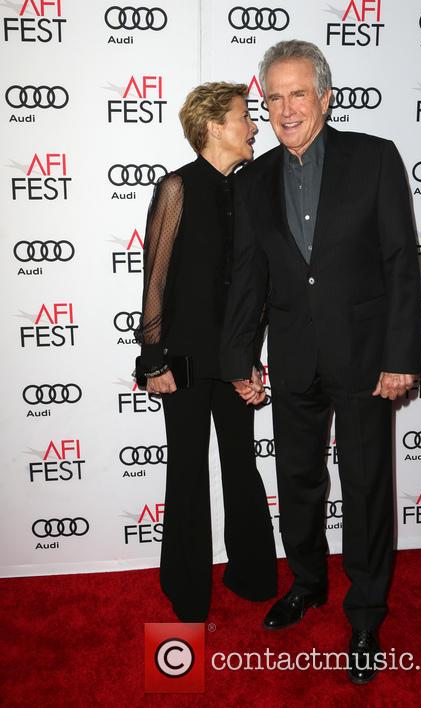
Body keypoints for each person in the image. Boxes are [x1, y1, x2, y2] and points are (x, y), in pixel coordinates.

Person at [220, 41, 421, 683]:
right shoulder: (252, 179)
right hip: (293, 356)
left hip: (366, 358)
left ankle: (365, 615)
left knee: (366, 488)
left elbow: (400, 261)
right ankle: (307, 582)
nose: (285, 109)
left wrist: (400, 355)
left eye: (297, 93)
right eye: (272, 98)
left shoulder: (375, 158)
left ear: (325, 96)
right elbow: (249, 277)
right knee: (299, 481)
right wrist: (239, 359)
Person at [135, 82, 277, 623]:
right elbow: (156, 281)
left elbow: (254, 292)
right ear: (215, 125)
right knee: (188, 470)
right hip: (186, 363)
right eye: (245, 116)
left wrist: (250, 362)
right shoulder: (177, 187)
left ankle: (252, 575)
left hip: (234, 359)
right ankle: (188, 588)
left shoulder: (251, 192)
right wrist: (152, 359)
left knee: (242, 466)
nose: (254, 126)